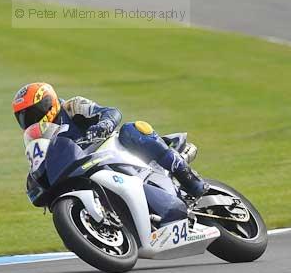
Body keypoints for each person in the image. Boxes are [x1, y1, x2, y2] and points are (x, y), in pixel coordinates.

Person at [12, 82, 207, 199]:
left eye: (34, 112)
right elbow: (40, 162)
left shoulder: (72, 106)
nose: (30, 120)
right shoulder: (37, 137)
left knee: (133, 129)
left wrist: (103, 124)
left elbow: (111, 112)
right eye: (23, 117)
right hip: (79, 170)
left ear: (49, 101)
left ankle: (189, 179)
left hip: (108, 150)